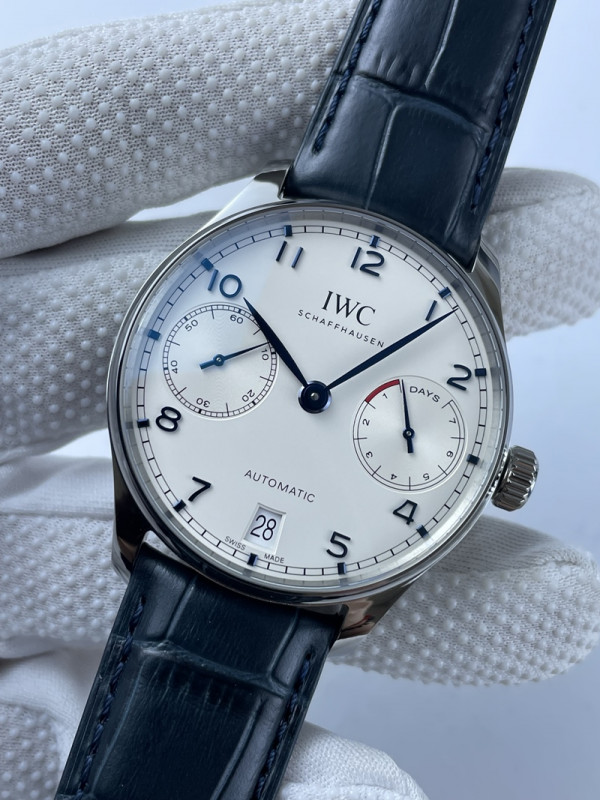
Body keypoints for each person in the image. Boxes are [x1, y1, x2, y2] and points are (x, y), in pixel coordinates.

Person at [0, 1, 599, 798]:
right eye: (308, 384)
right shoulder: (265, 245)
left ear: (495, 471)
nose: (313, 394)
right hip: (227, 534)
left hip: (271, 554)